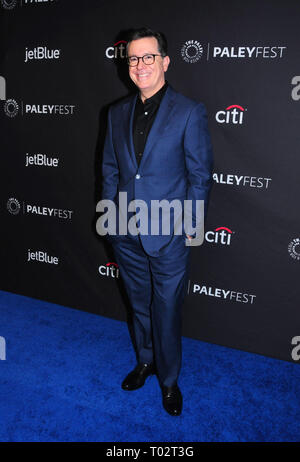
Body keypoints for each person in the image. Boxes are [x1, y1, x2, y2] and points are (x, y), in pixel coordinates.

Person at [101, 27, 213, 416]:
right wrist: (113, 224)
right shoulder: (115, 114)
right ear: (127, 65)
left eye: (149, 57)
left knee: (166, 311)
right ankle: (145, 362)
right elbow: (111, 172)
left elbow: (200, 176)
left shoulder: (189, 112)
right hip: (127, 234)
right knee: (139, 305)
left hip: (169, 235)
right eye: (133, 58)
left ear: (165, 62)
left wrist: (188, 228)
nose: (140, 65)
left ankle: (169, 380)